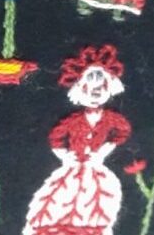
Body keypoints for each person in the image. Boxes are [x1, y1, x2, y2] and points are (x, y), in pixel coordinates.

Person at [23, 46, 131, 235]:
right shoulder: (75, 120)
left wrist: (106, 149)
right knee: (63, 197)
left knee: (96, 198)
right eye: (89, 90)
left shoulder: (110, 119)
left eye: (100, 90)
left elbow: (123, 131)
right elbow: (56, 138)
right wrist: (65, 156)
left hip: (95, 167)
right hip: (73, 167)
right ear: (79, 90)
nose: (95, 95)